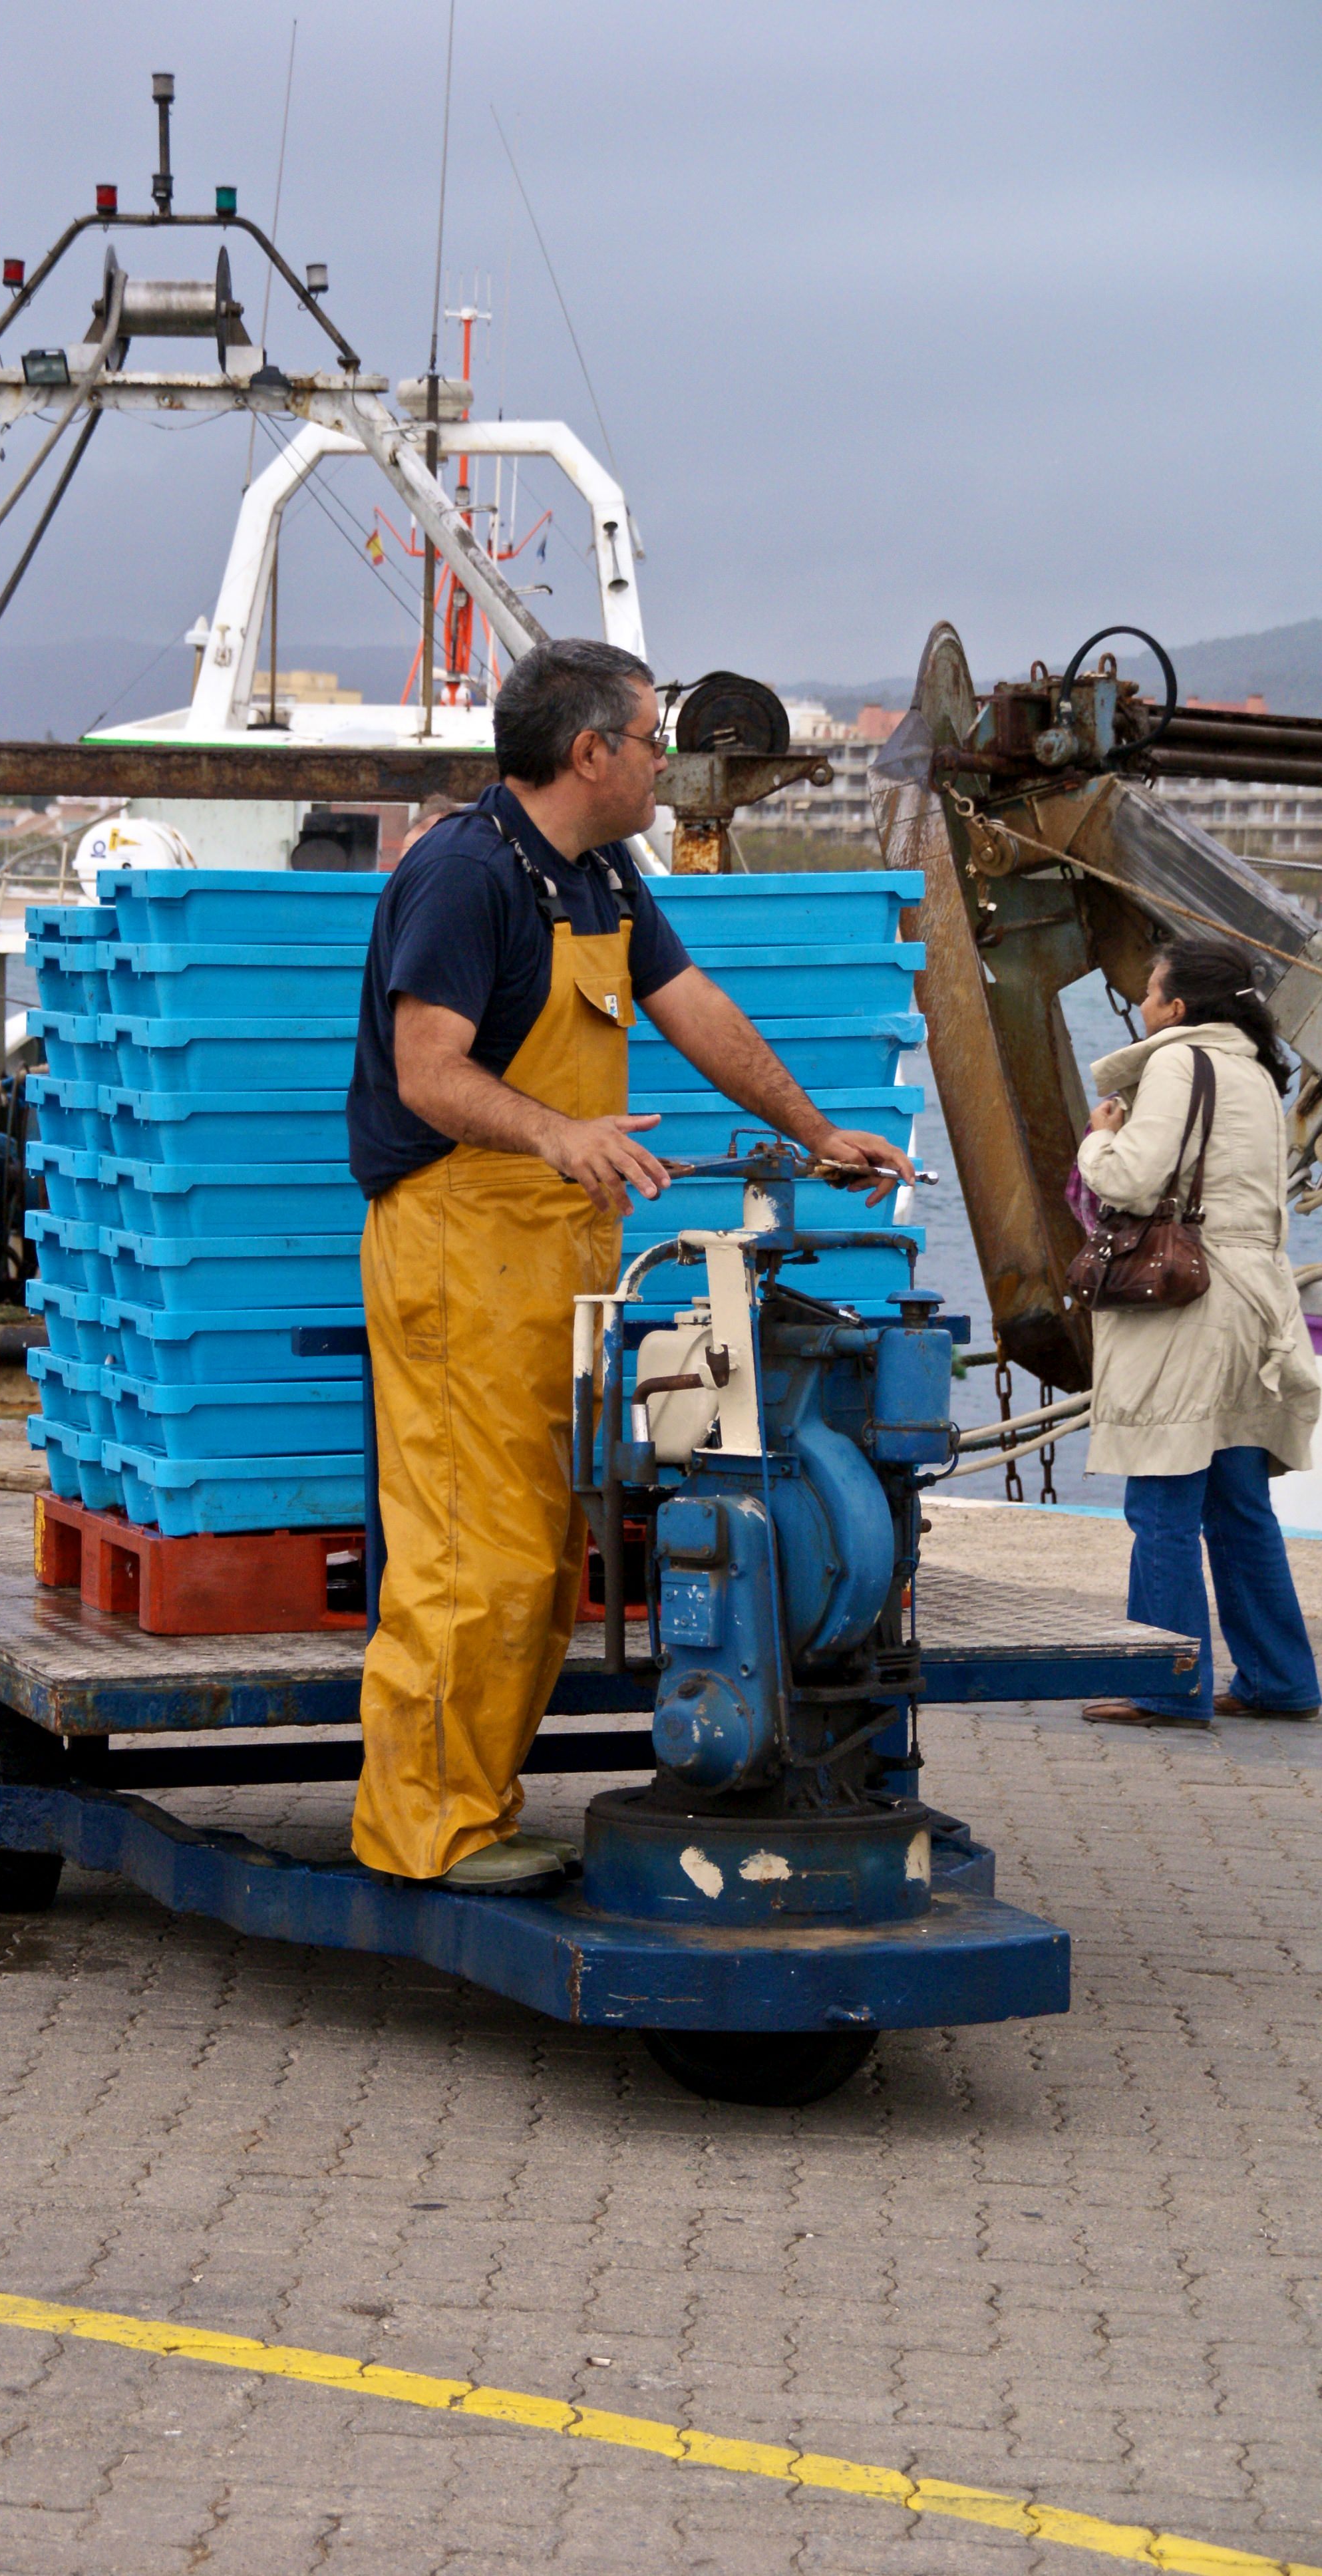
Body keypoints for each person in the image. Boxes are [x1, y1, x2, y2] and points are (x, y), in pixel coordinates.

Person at [345, 637, 915, 1889]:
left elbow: (691, 1003)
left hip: (554, 1248)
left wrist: (815, 1130)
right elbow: (427, 1071)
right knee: (471, 1551)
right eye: (654, 739)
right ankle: (423, 1830)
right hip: (458, 1244)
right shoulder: (465, 874)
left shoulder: (598, 875)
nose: (668, 762)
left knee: (545, 1552)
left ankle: (474, 1809)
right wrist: (558, 1132)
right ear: (589, 750)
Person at [1077, 937, 1321, 1729]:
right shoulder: (1255, 1073)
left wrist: (1098, 1137)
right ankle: (1281, 1680)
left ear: (1177, 1007)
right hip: (1256, 1299)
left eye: (1150, 991)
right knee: (1239, 1503)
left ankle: (1166, 1685)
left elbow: (1131, 1179)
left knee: (1163, 1501)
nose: (1143, 1003)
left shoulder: (1180, 1063)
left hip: (1189, 1303)